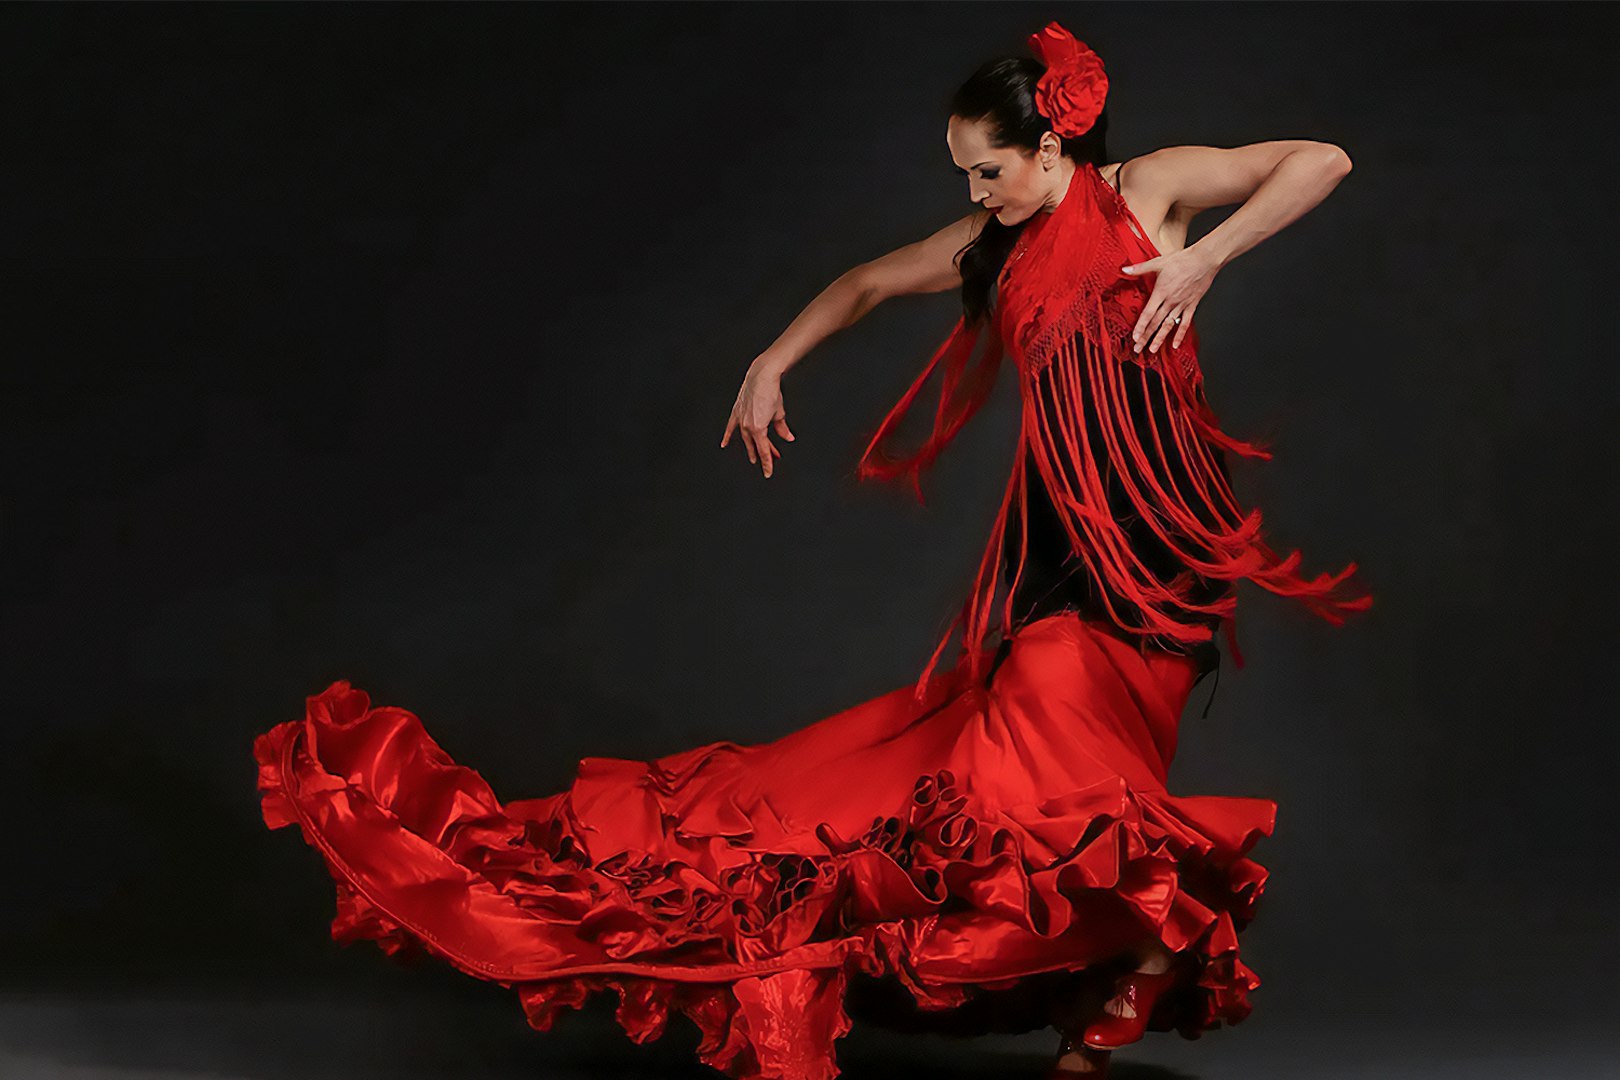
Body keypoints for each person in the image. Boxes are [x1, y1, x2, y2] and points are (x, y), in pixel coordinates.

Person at [252, 21, 1371, 1080]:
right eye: (964, 178)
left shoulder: (1149, 192)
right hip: (1064, 549)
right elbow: (869, 281)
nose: (976, 196)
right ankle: (1115, 979)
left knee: (1104, 782)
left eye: (989, 171)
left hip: (1166, 539)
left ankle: (1119, 975)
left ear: (1051, 142)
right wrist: (772, 360)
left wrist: (1204, 261)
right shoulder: (996, 247)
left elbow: (1320, 160)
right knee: (1017, 772)